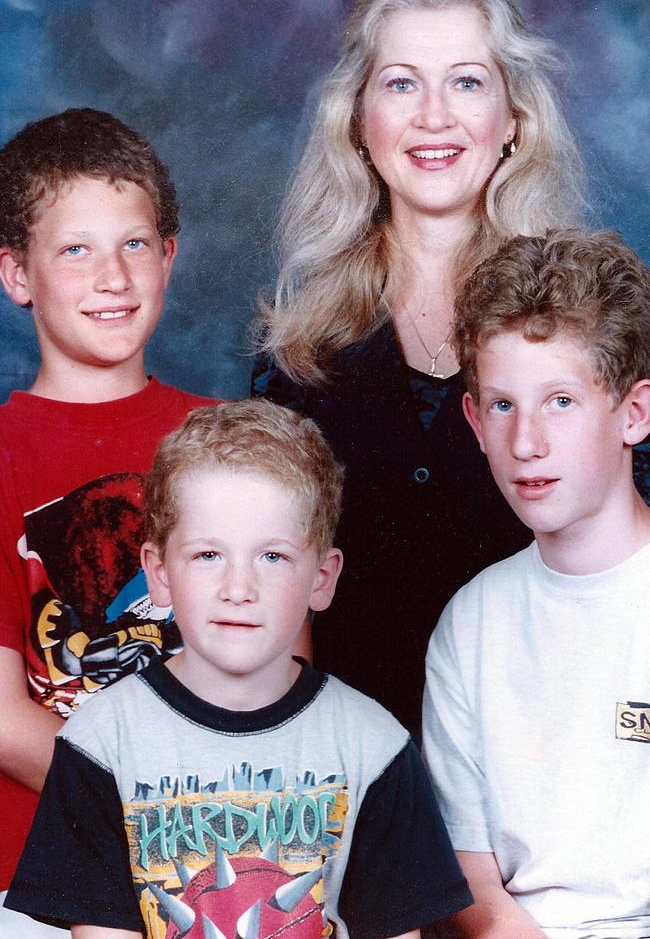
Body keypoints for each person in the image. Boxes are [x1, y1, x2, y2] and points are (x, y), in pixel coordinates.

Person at [252, 0, 587, 735]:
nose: (434, 117)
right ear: (358, 122)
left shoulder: (589, 324)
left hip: (550, 775)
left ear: (513, 120)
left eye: (467, 82)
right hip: (356, 787)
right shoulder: (297, 356)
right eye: (401, 83)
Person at [7, 399, 472, 938]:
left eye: (272, 557)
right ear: (158, 574)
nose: (238, 589)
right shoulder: (100, 742)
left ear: (322, 577)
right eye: (208, 555)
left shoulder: (374, 746)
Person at [0, 108, 217, 937]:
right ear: (18, 275)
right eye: (75, 250)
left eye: (134, 244)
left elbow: (283, 657)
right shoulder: (5, 452)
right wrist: (150, 802)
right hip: (41, 871)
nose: (113, 277)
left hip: (214, 847)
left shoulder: (228, 439)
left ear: (168, 256)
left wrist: (206, 807)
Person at [422, 229, 650, 938]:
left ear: (634, 413)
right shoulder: (473, 622)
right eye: (501, 406)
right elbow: (470, 875)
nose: (526, 443)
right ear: (473, 421)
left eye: (560, 402)